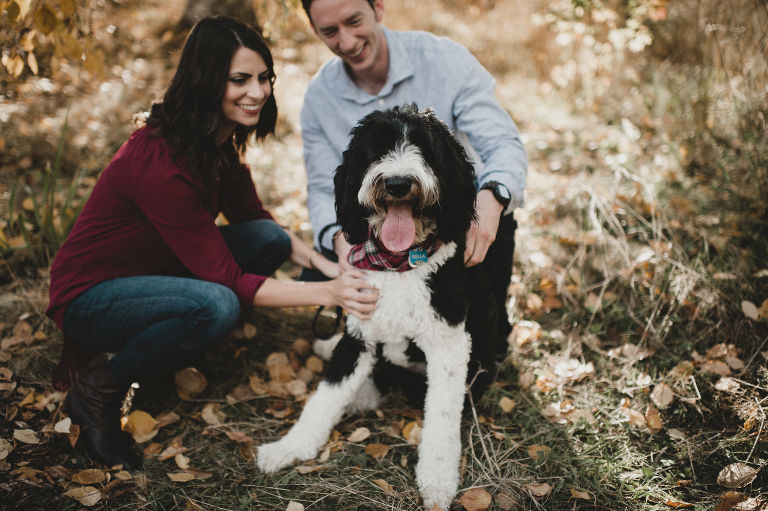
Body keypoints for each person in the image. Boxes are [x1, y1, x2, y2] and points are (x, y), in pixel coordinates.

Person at [46, 16, 378, 470]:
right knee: (216, 305)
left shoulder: (217, 142)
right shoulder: (160, 161)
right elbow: (229, 281)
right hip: (90, 297)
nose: (258, 92)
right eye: (239, 80)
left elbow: (255, 219)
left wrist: (328, 265)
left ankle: (179, 343)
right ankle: (97, 391)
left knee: (266, 238)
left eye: (264, 77)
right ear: (205, 81)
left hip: (155, 269)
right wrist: (329, 293)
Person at [298, 0, 527, 355]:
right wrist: (339, 238)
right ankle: (378, 342)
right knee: (319, 279)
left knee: (486, 348)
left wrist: (492, 198)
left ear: (378, 7)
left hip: (451, 218)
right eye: (330, 31)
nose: (346, 42)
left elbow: (503, 144)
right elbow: (320, 186)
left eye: (354, 21)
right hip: (372, 224)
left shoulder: (446, 60)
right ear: (315, 30)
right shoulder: (318, 96)